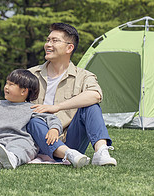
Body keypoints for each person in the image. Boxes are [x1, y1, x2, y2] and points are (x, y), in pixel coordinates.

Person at [26, 23, 117, 166]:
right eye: (48, 40)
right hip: (36, 139)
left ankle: (101, 152)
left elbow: (95, 95)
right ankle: (64, 153)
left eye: (55, 41)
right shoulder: (31, 74)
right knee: (33, 119)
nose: (48, 44)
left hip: (71, 142)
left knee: (91, 106)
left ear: (69, 48)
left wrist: (58, 107)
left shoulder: (83, 76)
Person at [0, 69, 90, 169]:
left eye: (11, 84)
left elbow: (52, 118)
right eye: (7, 83)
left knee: (18, 147)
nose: (6, 87)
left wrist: (54, 129)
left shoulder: (31, 108)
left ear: (24, 91)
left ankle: (13, 159)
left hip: (21, 140)